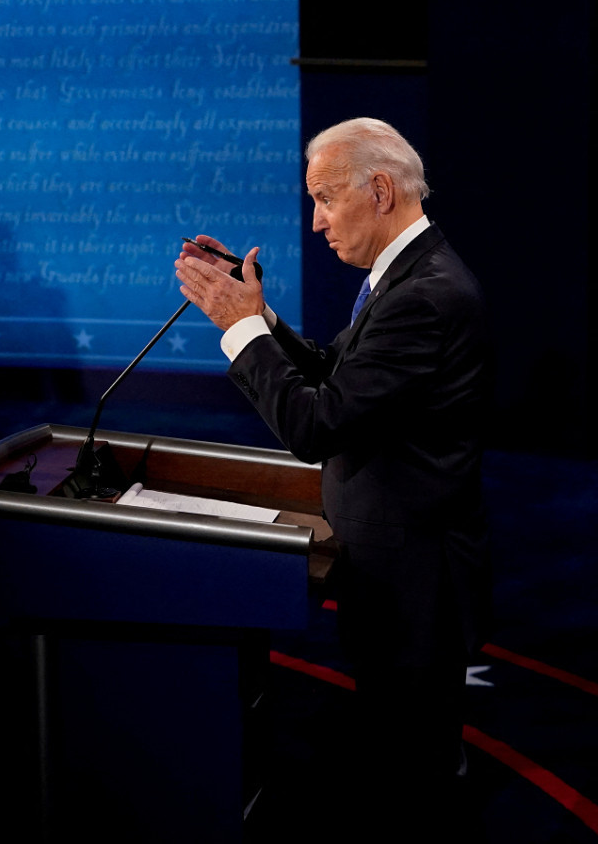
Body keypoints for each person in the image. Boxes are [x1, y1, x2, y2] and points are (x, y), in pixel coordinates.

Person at [174, 118, 492, 834]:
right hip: (397, 569)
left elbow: (317, 424)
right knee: (402, 752)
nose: (315, 222)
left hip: (416, 582)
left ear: (379, 190)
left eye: (324, 198)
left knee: (415, 777)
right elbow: (337, 375)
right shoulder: (409, 275)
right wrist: (256, 314)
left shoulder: (424, 295)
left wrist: (240, 330)